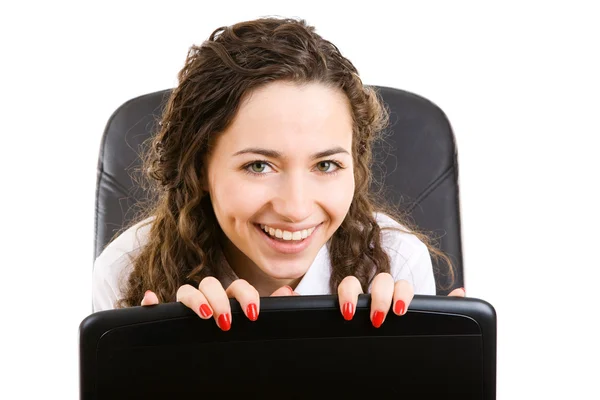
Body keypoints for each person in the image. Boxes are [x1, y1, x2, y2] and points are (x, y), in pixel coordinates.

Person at [92, 17, 464, 332]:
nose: (296, 208)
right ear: (199, 169)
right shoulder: (126, 272)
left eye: (326, 165)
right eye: (259, 166)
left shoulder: (398, 264)